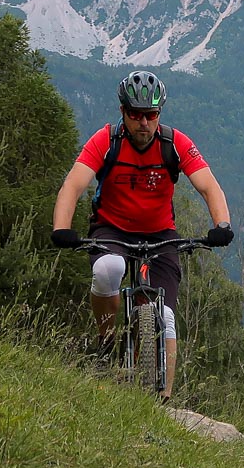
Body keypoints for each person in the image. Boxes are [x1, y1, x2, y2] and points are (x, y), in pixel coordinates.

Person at [50, 70, 233, 399]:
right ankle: (106, 345)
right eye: (135, 115)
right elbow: (73, 185)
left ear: (159, 114)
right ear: (123, 112)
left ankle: (163, 401)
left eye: (150, 115)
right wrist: (61, 228)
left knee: (165, 316)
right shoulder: (106, 140)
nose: (143, 123)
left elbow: (209, 186)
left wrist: (222, 225)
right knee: (108, 270)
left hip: (160, 232)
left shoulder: (174, 144)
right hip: (112, 229)